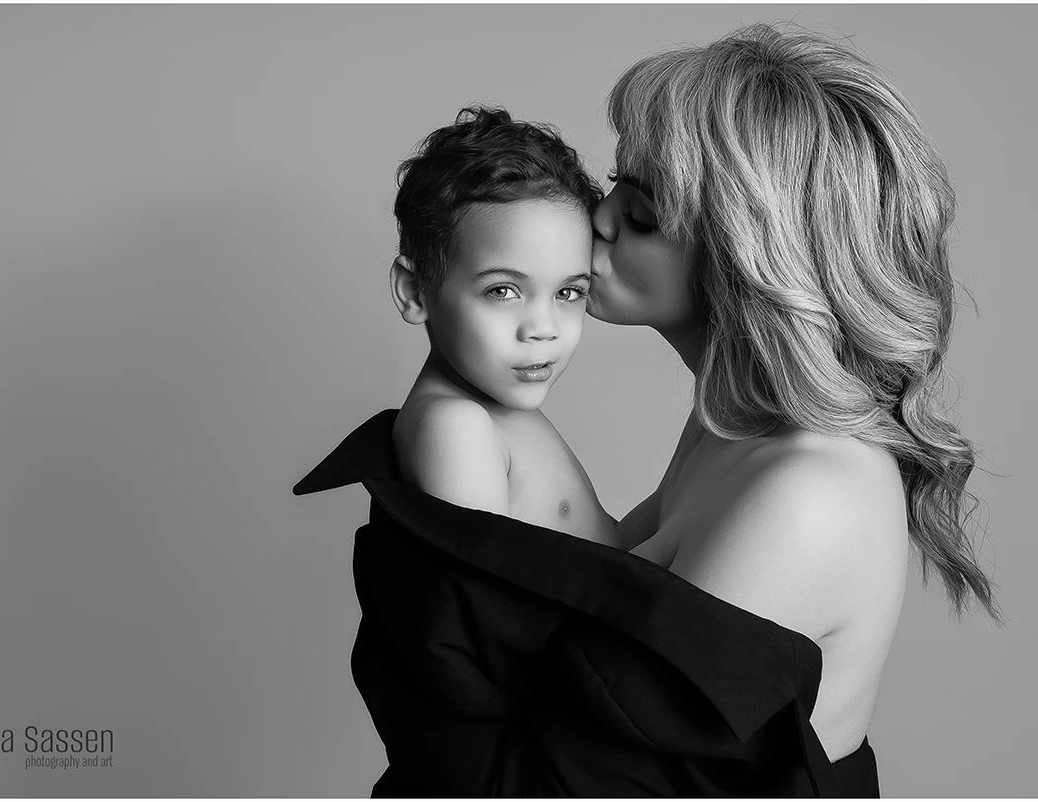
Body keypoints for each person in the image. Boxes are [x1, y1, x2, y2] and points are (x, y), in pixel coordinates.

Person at [589, 20, 1002, 763]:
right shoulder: (735, 424)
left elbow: (603, 766)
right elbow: (591, 578)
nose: (601, 217)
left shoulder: (804, 490)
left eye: (643, 211)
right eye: (615, 182)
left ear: (751, 251)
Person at [386, 106, 617, 548]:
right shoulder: (456, 426)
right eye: (503, 291)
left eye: (568, 293)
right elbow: (492, 611)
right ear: (415, 291)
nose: (543, 328)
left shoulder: (489, 405)